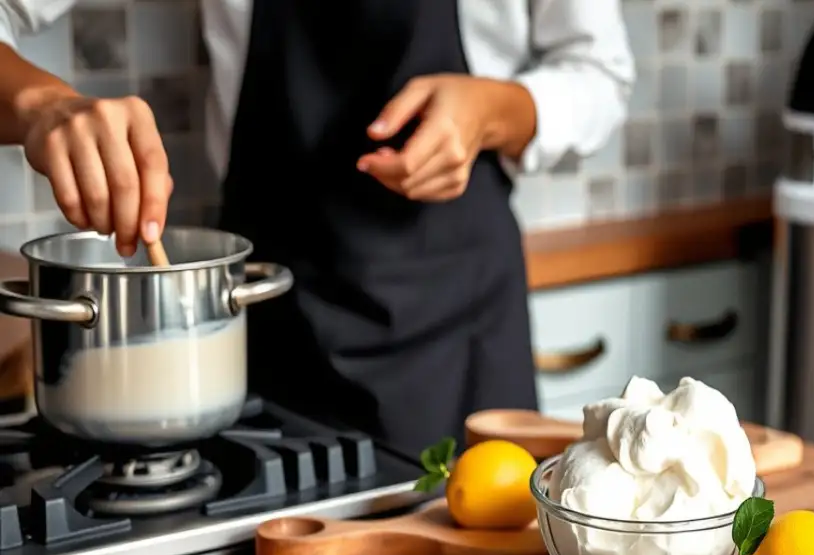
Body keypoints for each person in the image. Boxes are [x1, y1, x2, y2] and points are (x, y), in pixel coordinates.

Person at [0, 1, 634, 459]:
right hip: (267, 330)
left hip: (460, 333)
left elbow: (600, 71)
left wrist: (493, 112)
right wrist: (40, 104)